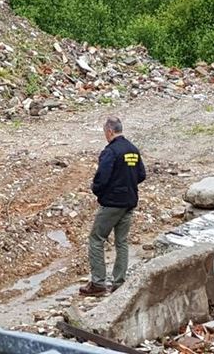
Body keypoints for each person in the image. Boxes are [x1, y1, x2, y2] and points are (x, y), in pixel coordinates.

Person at [79, 116, 146, 296]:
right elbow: (141, 174)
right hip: (129, 202)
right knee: (122, 242)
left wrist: (98, 191)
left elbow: (102, 177)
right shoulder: (132, 149)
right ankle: (119, 282)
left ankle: (98, 283)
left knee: (96, 239)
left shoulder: (111, 151)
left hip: (111, 204)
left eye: (105, 133)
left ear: (109, 131)